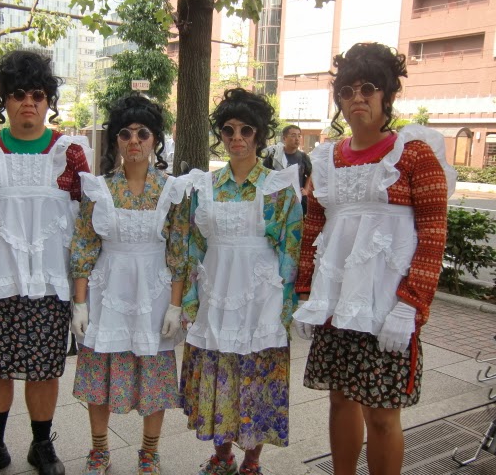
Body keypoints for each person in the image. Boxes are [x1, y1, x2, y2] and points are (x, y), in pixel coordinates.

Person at [293, 42, 456, 475]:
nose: (357, 98)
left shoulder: (415, 155)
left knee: (382, 414)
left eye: (368, 88)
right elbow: (314, 228)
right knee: (340, 399)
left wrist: (411, 305)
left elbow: (433, 235)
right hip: (337, 303)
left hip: (387, 306)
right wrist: (306, 291)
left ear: (388, 94)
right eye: (347, 91)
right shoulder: (325, 159)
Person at [0, 50, 91, 475]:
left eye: (38, 94)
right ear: (5, 99)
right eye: (19, 93)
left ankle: (41, 445)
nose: (29, 102)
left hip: (50, 284)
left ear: (48, 101)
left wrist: (84, 292)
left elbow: (86, 227)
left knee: (44, 370)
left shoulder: (70, 153)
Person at [180, 88, 303, 475]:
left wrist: (285, 307)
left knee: (257, 378)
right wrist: (188, 301)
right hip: (216, 293)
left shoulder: (278, 188)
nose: (237, 137)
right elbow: (193, 247)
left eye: (246, 130)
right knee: (219, 373)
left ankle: (252, 461)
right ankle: (222, 457)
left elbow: (291, 249)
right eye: (228, 129)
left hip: (260, 298)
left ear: (259, 135)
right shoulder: (205, 187)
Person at [70, 95, 189, 475]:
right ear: (116, 140)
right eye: (125, 133)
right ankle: (99, 450)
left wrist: (176, 306)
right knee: (99, 372)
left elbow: (179, 252)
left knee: (154, 375)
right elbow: (84, 246)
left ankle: (149, 453)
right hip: (107, 293)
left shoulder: (172, 191)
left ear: (156, 140)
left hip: (154, 295)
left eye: (142, 133)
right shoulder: (99, 189)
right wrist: (79, 303)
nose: (134, 140)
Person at [264, 125, 312, 215]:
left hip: (296, 199)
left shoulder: (303, 157)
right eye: (293, 135)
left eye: (299, 136)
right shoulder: (275, 157)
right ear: (284, 138)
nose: (297, 139)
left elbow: (310, 173)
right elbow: (264, 174)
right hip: (276, 200)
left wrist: (306, 189)